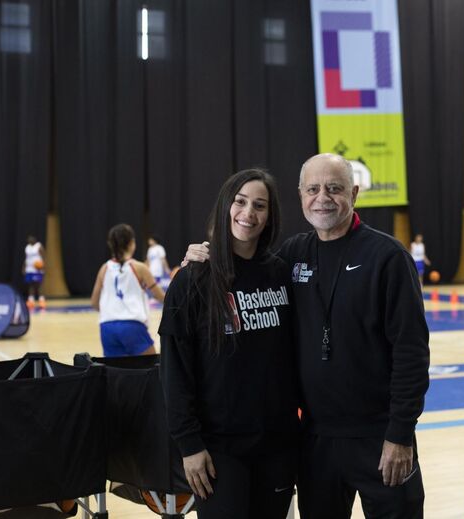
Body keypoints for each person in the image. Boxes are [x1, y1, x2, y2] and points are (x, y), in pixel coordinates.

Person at [184, 153, 430, 519]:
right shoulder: (292, 255)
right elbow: (244, 269)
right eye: (313, 189)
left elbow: (411, 353)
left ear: (354, 193)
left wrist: (400, 433)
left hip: (380, 438)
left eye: (334, 188)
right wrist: (204, 256)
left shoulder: (388, 257)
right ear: (300, 195)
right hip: (315, 442)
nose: (322, 198)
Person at [159, 169, 299, 518]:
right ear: (225, 205)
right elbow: (175, 371)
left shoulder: (281, 273)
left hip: (277, 445)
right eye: (240, 202)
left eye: (260, 205)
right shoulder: (193, 278)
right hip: (218, 450)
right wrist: (189, 445)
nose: (248, 213)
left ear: (270, 216)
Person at [90, 223, 164, 357]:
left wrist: (113, 311)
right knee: (152, 365)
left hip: (107, 327)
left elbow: (94, 303)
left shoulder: (104, 269)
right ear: (131, 243)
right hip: (132, 326)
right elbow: (160, 296)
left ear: (111, 244)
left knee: (116, 369)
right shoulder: (139, 267)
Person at [23, 235, 46, 310]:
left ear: (35, 239)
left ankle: (41, 300)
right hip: (29, 269)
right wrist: (24, 267)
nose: (29, 239)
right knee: (30, 285)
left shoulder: (39, 246)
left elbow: (44, 257)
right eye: (28, 239)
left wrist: (43, 266)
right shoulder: (27, 248)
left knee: (39, 285)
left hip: (37, 269)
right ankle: (31, 301)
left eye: (31, 238)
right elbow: (26, 258)